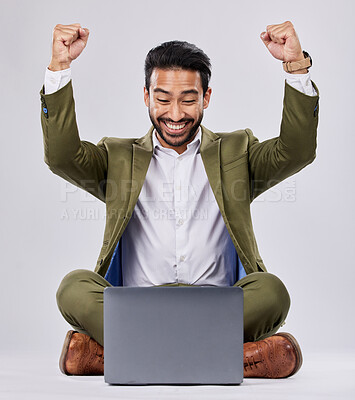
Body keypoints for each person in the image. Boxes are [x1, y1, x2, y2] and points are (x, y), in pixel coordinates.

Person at [40, 21, 319, 379]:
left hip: (218, 304)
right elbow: (62, 157)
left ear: (206, 97)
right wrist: (59, 69)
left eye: (188, 99)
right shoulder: (118, 156)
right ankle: (237, 357)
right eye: (162, 99)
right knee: (73, 287)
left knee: (272, 292)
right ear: (145, 96)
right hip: (138, 304)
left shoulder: (237, 152)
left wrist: (296, 67)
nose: (175, 114)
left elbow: (296, 151)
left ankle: (110, 356)